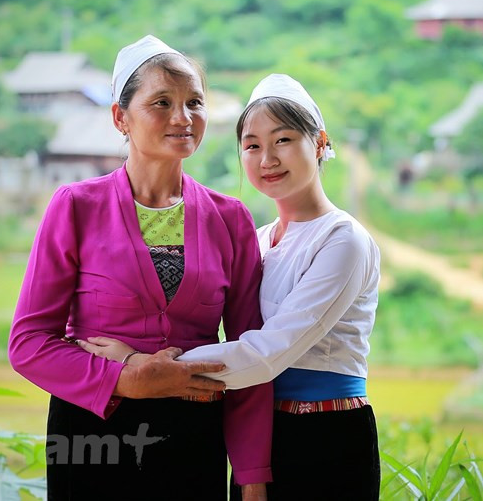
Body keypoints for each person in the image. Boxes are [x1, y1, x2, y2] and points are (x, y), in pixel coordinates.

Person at [80, 73, 382, 500]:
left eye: (283, 140)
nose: (267, 159)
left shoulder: (343, 239)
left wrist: (141, 363)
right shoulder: (259, 241)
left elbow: (266, 352)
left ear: (318, 143)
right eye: (252, 145)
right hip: (256, 432)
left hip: (325, 433)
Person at [8, 35, 272, 501]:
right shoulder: (75, 207)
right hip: (92, 438)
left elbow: (253, 353)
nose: (182, 117)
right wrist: (127, 377)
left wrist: (251, 476)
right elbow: (29, 344)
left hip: (194, 441)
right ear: (120, 118)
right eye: (162, 102)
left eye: (195, 102)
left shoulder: (230, 218)